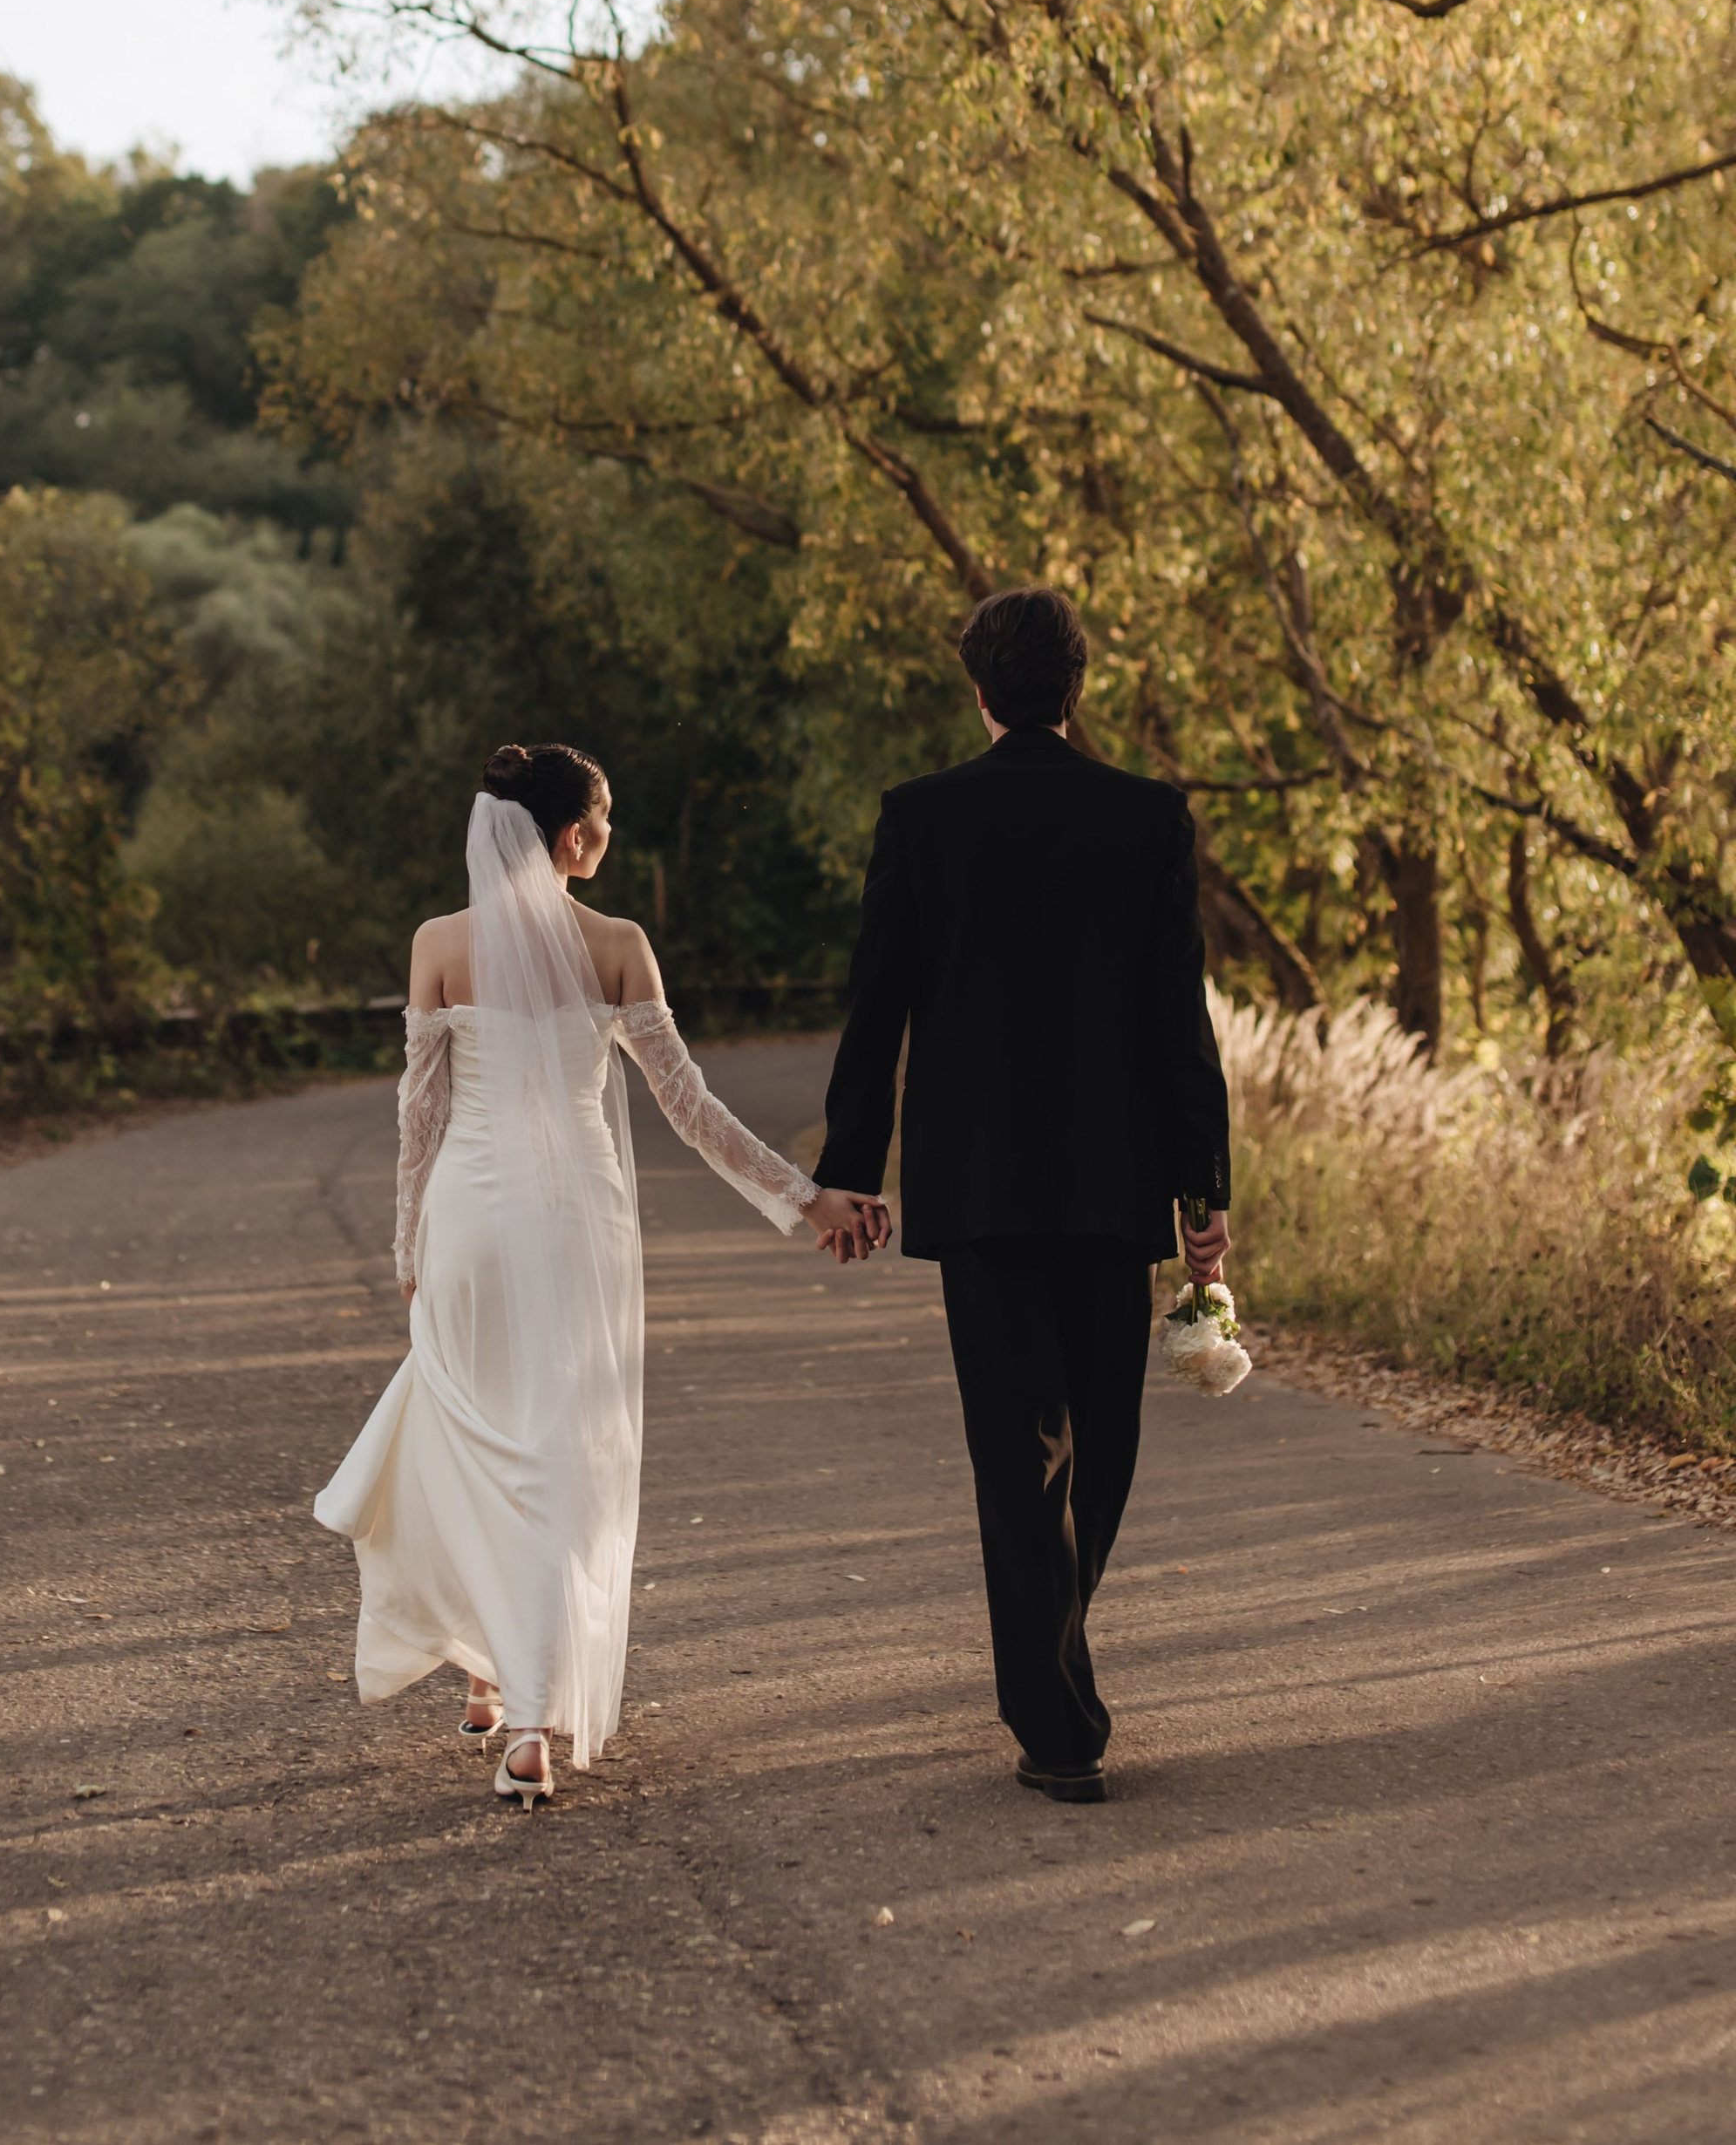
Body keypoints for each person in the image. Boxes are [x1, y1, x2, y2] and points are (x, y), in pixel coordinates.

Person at [314, 740, 888, 1809]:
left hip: (468, 1221)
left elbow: (419, 1118)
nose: (611, 834)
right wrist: (804, 1197)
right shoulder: (619, 945)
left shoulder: (438, 944)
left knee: (475, 1438)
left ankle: (489, 1670)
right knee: (557, 1455)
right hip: (577, 1220)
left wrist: (406, 1249)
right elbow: (690, 1109)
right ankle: (528, 1720)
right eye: (607, 818)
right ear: (574, 836)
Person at [812, 589, 1231, 1803]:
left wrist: (852, 1168)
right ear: (1075, 686)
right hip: (1109, 1179)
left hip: (983, 1178)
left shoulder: (924, 816)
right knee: (1096, 1445)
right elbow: (1180, 1020)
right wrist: (1201, 1183)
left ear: (980, 690)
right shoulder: (1145, 816)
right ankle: (1059, 1725)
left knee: (1025, 1454)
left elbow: (876, 1004)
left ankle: (1051, 1685)